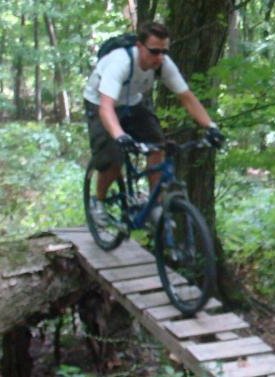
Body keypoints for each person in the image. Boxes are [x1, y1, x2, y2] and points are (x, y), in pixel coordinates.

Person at [83, 22, 224, 227]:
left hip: (132, 102)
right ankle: (99, 202)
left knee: (158, 144)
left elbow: (186, 97)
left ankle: (155, 205)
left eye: (164, 51)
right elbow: (106, 108)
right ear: (140, 46)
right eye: (154, 51)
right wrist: (120, 135)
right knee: (113, 158)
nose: (159, 57)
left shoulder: (164, 64)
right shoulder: (120, 63)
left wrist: (210, 126)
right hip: (100, 103)